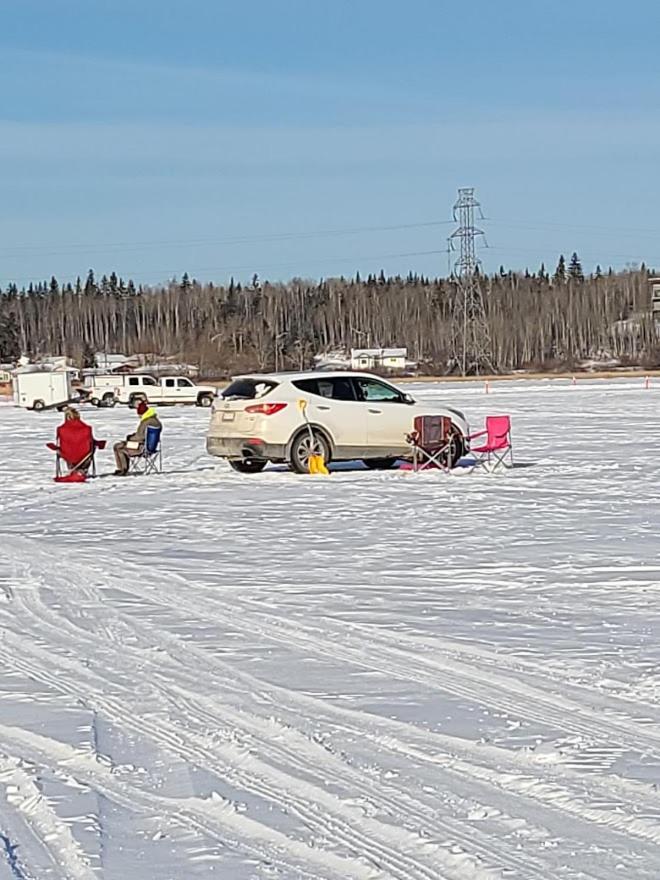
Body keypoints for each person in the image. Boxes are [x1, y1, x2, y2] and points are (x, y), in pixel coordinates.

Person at [48, 407, 102, 476]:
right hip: (85, 455)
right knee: (90, 449)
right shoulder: (87, 429)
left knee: (66, 451)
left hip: (67, 455)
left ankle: (73, 468)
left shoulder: (61, 429)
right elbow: (91, 442)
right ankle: (82, 469)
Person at [113, 400, 162, 475]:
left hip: (141, 447)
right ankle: (123, 468)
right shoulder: (155, 421)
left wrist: (129, 438)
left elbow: (140, 437)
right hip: (150, 447)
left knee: (118, 447)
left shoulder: (146, 422)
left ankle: (123, 469)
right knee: (120, 445)